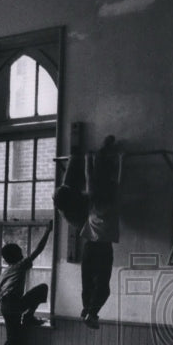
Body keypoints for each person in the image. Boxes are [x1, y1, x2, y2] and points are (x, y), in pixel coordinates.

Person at [79, 136, 120, 329]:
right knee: (101, 286)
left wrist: (87, 159)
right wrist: (122, 160)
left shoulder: (93, 202)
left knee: (88, 282)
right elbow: (119, 179)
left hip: (89, 246)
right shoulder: (112, 203)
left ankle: (88, 310)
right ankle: (90, 311)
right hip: (103, 248)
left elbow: (89, 176)